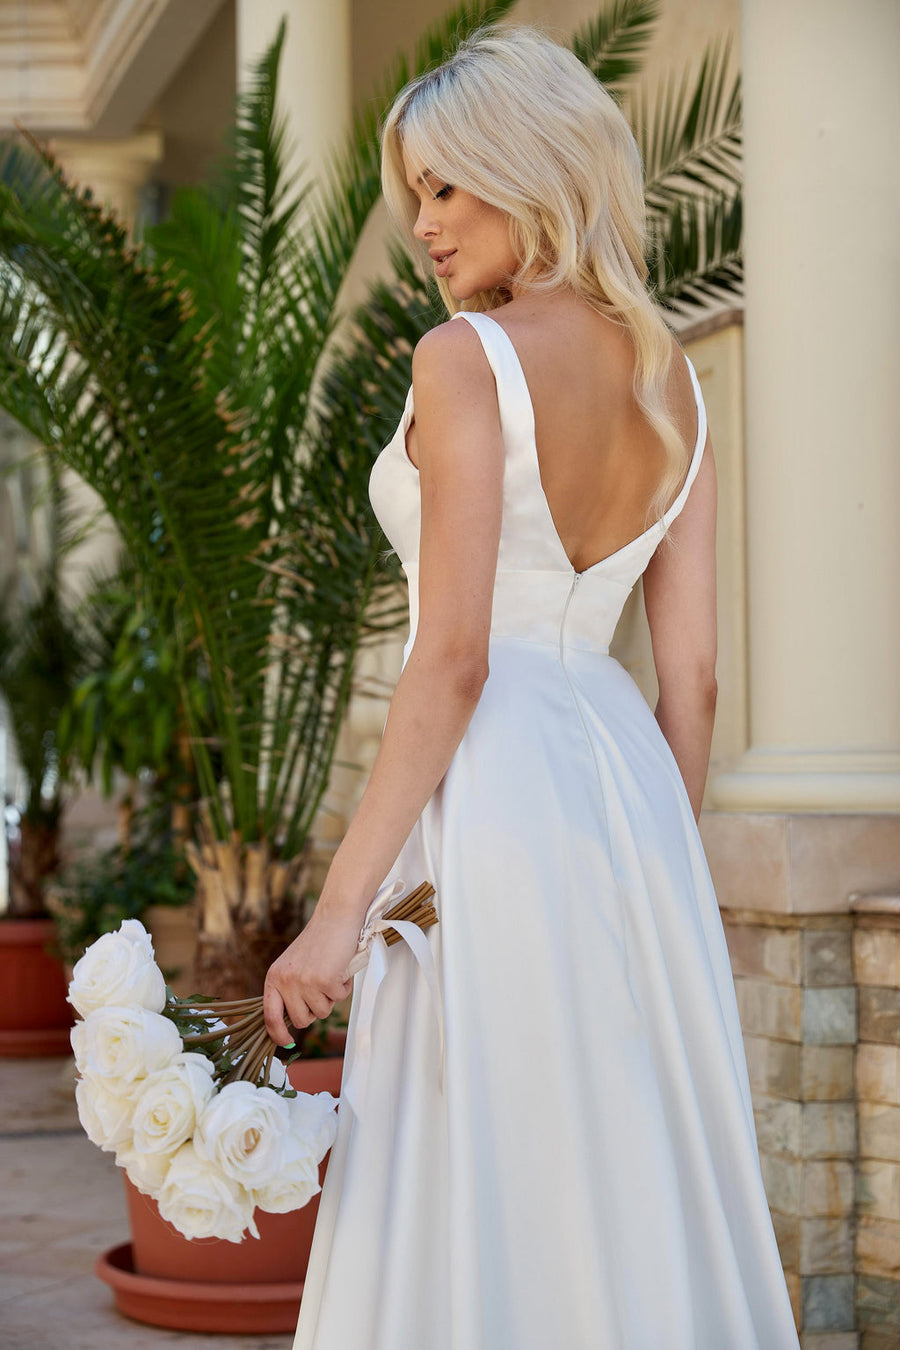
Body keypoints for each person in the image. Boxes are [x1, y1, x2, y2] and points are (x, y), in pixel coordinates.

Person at [264, 25, 801, 1350]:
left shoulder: (463, 361)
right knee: (622, 1149)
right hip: (622, 787)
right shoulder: (671, 374)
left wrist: (335, 916)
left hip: (491, 783)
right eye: (415, 194)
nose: (425, 225)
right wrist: (656, 863)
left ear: (530, 164)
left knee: (481, 1145)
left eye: (449, 186)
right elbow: (696, 679)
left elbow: (451, 658)